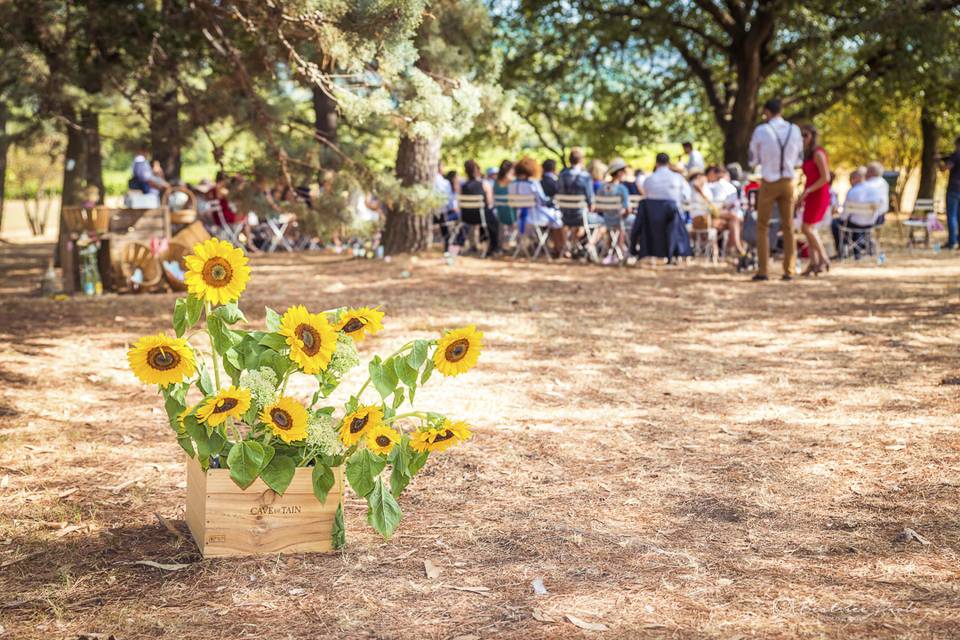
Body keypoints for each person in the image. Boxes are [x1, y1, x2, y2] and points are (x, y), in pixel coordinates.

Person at [748, 98, 803, 281]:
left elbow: (753, 159)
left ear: (767, 112)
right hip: (788, 182)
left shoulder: (761, 130)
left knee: (762, 226)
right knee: (788, 227)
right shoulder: (794, 130)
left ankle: (763, 270)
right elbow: (799, 160)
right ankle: (789, 270)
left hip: (769, 181)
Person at [509, 156, 564, 256]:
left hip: (520, 218)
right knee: (557, 218)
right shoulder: (533, 184)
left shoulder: (512, 184)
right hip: (535, 217)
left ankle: (552, 247)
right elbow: (542, 201)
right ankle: (559, 248)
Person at [798, 124, 832, 276]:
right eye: (801, 135)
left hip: (819, 193)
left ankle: (823, 259)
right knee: (808, 229)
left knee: (807, 228)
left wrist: (809, 190)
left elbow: (826, 177)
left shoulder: (818, 153)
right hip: (810, 194)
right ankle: (814, 262)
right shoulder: (807, 154)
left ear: (812, 136)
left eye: (805, 135)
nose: (803, 138)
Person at [831, 166, 885, 257]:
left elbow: (844, 215)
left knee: (835, 223)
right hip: (870, 223)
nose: (850, 181)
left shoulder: (852, 191)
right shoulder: (875, 190)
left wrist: (841, 216)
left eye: (851, 179)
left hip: (854, 223)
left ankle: (842, 249)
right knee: (853, 224)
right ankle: (859, 247)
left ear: (855, 179)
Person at [706, 165, 747, 268]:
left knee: (735, 221)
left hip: (723, 216)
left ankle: (733, 251)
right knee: (735, 218)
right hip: (715, 214)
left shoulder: (727, 186)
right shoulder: (711, 186)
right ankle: (735, 249)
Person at [557, 148, 595, 256]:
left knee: (566, 224)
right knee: (584, 222)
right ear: (581, 160)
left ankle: (567, 247)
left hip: (564, 215)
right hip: (580, 215)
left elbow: (558, 190)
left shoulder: (562, 174)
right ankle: (574, 245)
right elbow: (590, 197)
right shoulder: (585, 176)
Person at [458, 159, 500, 256]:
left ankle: (456, 250)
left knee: (462, 227)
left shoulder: (463, 186)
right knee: (494, 222)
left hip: (466, 217)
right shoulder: (485, 184)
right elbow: (490, 203)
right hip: (482, 217)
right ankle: (493, 249)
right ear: (478, 170)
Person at [597, 158, 632, 263]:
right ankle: (621, 251)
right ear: (620, 173)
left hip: (605, 220)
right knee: (627, 222)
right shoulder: (622, 189)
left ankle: (611, 253)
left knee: (615, 226)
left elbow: (597, 206)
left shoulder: (602, 187)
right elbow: (627, 209)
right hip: (618, 221)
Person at [941, 136, 960, 249]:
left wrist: (938, 161)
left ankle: (952, 242)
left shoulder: (956, 155)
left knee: (952, 216)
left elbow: (945, 168)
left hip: (954, 189)